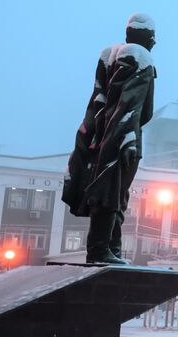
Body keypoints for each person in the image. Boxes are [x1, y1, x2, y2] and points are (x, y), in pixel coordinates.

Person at [62, 14, 158, 265]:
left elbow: (98, 101)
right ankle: (101, 250)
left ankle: (111, 249)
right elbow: (131, 105)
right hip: (124, 137)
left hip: (103, 135)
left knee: (111, 193)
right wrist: (128, 140)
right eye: (152, 37)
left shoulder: (109, 58)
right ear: (144, 37)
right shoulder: (140, 58)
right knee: (111, 194)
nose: (155, 42)